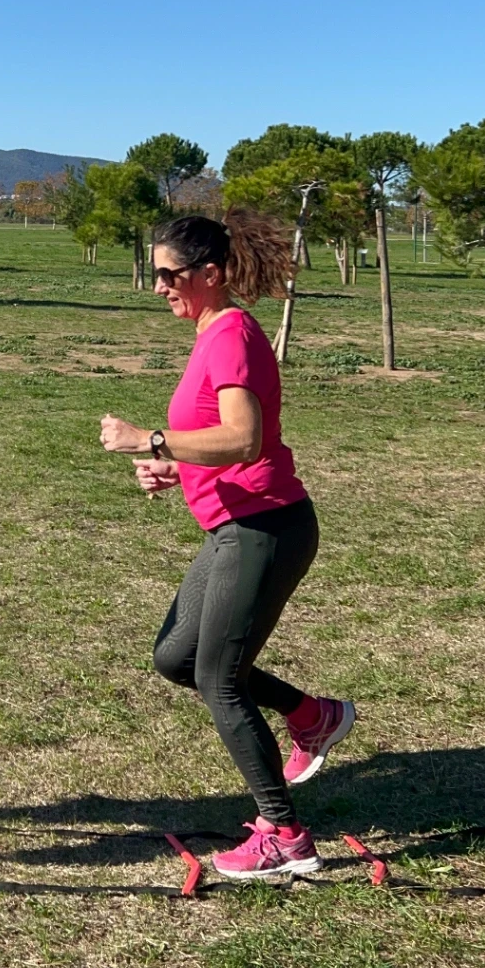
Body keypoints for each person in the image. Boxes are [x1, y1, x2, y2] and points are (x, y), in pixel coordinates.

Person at [99, 209, 354, 879]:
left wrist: (150, 439)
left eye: (168, 274)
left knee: (219, 678)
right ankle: (312, 715)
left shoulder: (231, 334)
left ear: (210, 273)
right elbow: (221, 439)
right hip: (234, 524)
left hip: (265, 527)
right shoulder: (211, 333)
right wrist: (175, 466)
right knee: (177, 657)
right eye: (154, 272)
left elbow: (244, 437)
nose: (158, 286)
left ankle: (285, 836)